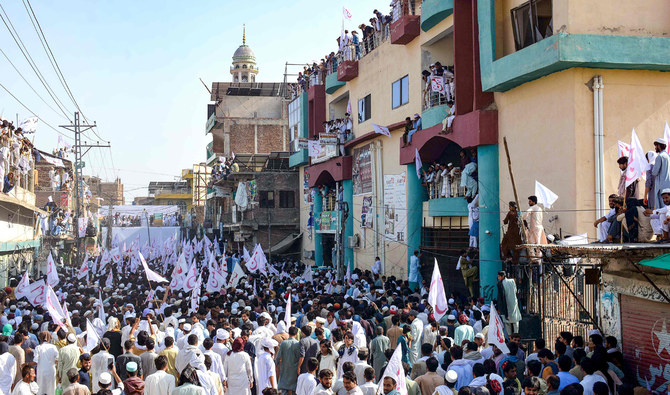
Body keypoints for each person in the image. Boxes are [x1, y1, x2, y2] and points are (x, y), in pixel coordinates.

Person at [523, 196, 546, 260]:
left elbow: (525, 214)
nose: (529, 202)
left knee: (534, 243)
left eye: (530, 201)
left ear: (534, 202)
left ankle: (535, 258)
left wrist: (521, 218)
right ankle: (536, 257)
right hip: (538, 227)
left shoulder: (533, 208)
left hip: (535, 228)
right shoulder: (539, 209)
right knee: (535, 242)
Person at [652, 138, 670, 210]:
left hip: (661, 187)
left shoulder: (660, 157)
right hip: (667, 185)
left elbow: (654, 172)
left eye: (656, 146)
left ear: (659, 146)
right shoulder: (668, 156)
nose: (655, 148)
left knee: (662, 208)